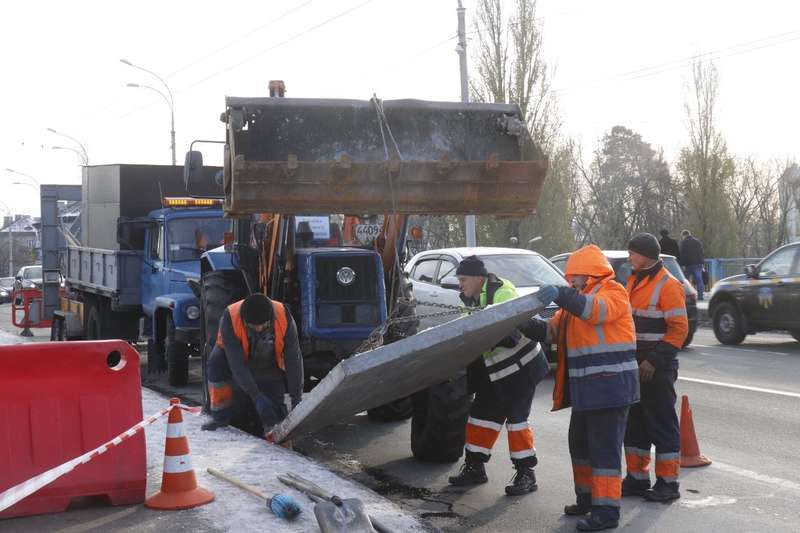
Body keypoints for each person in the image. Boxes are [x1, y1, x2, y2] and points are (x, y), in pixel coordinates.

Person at [520, 245, 638, 531]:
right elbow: (552, 331)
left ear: (589, 273)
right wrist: (523, 323)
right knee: (581, 445)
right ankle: (587, 499)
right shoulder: (578, 300)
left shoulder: (612, 292)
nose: (570, 281)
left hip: (611, 389)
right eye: (569, 278)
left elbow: (594, 313)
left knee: (604, 452)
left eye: (573, 276)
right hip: (589, 390)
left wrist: (562, 295)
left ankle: (607, 511)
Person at [447, 255, 551, 496]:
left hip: (522, 369)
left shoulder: (502, 291)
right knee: (480, 417)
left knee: (516, 421)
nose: (459, 285)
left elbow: (506, 327)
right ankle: (475, 468)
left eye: (463, 279)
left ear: (477, 278)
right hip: (495, 372)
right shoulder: (469, 299)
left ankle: (526, 474)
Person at [623, 234, 687, 503]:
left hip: (656, 368)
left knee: (661, 423)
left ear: (647, 255)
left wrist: (654, 361)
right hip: (635, 367)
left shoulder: (668, 285)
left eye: (633, 253)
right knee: (635, 425)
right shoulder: (633, 280)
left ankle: (668, 484)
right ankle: (637, 479)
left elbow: (679, 329)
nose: (629, 258)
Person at [202, 293, 303, 439]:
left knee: (276, 414)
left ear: (270, 319)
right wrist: (256, 396)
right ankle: (220, 416)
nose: (258, 329)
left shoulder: (283, 316)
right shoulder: (230, 317)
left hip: (269, 364)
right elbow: (236, 364)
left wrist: (296, 399)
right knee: (215, 362)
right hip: (235, 358)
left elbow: (294, 360)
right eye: (253, 326)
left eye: (263, 325)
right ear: (244, 320)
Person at [679, 230, 705, 300]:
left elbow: (682, 254)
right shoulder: (697, 241)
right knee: (699, 280)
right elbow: (701, 253)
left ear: (684, 235)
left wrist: (682, 264)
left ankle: (687, 296)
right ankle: (700, 296)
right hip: (698, 264)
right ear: (689, 234)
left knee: (686, 281)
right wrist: (702, 263)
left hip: (688, 265)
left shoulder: (684, 243)